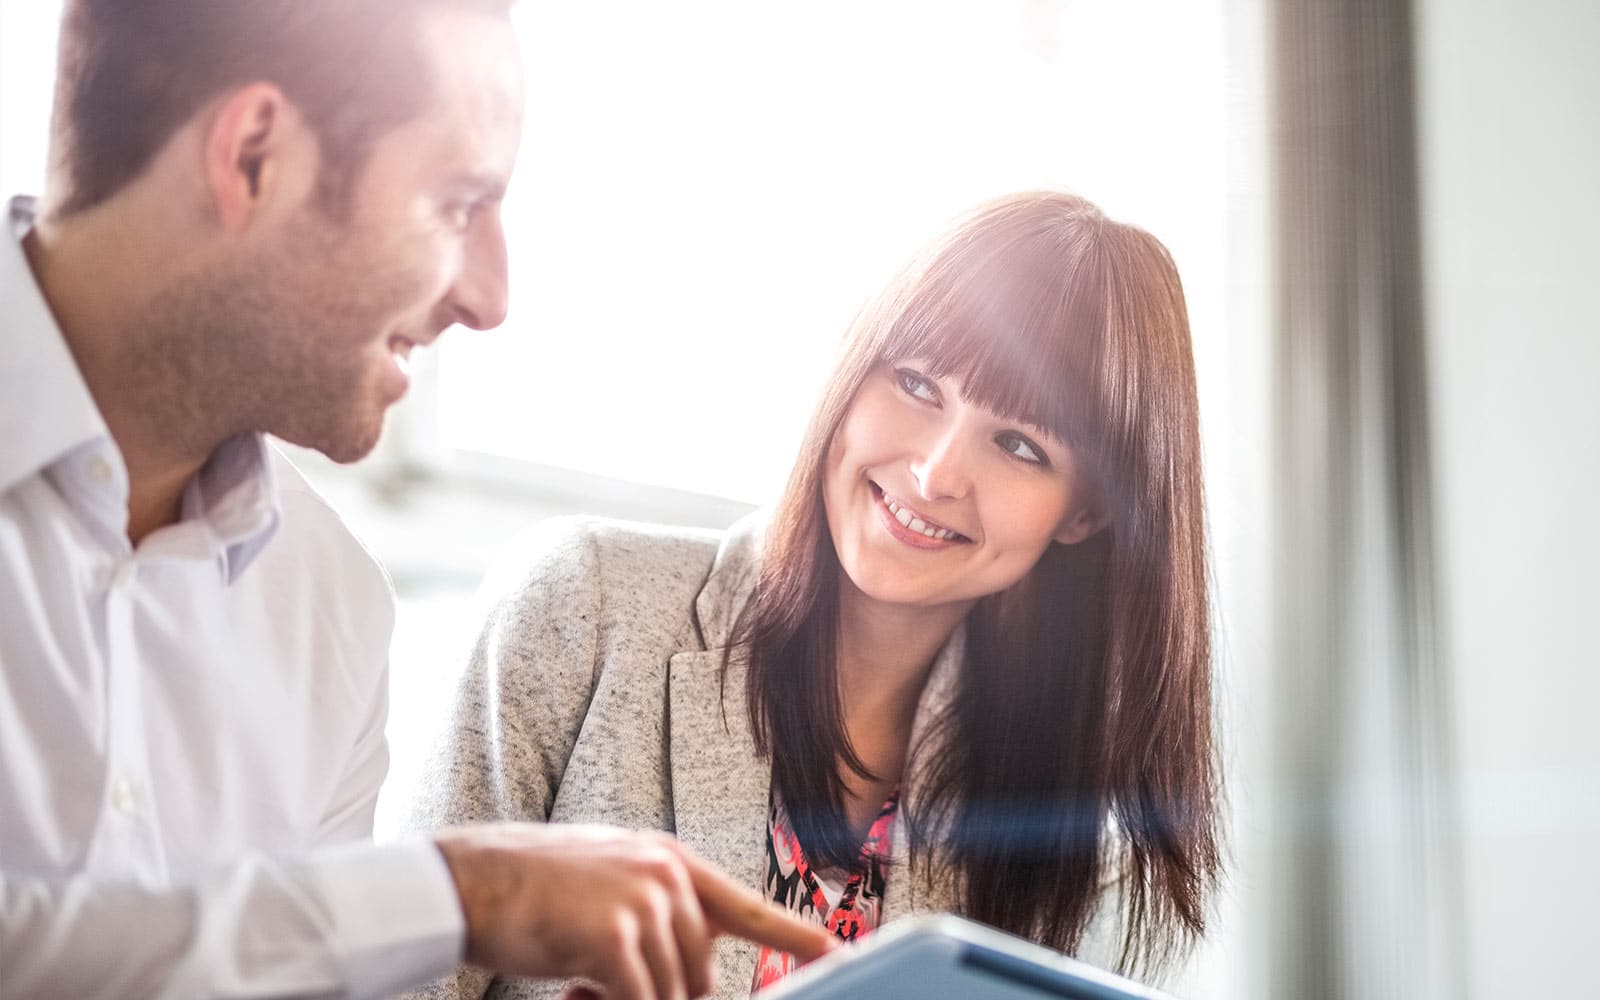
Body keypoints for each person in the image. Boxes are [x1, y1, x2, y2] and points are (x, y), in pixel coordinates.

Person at [0, 1, 834, 998]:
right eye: (456, 205)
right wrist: (454, 894)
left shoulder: (330, 608)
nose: (491, 298)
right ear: (254, 157)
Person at [404, 190, 1224, 999]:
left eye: (1018, 444)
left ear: (1086, 512)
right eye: (915, 384)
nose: (936, 473)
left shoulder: (1091, 852)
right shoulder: (581, 607)